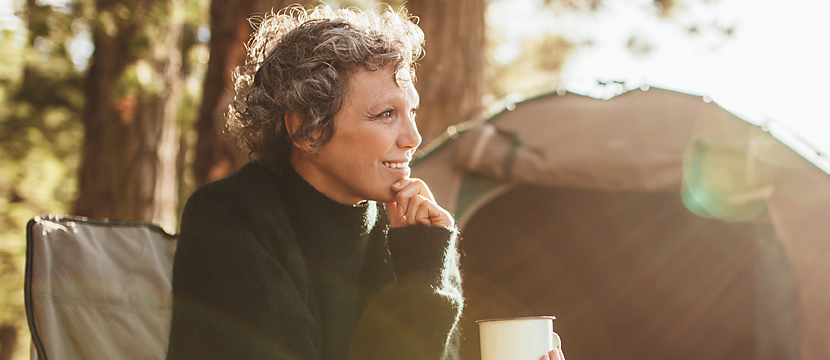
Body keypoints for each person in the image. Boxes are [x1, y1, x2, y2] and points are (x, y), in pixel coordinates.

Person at [165, 5, 463, 360]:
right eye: (386, 114)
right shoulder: (229, 219)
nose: (413, 137)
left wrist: (425, 272)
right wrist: (420, 286)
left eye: (410, 111)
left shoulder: (415, 235)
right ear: (308, 130)